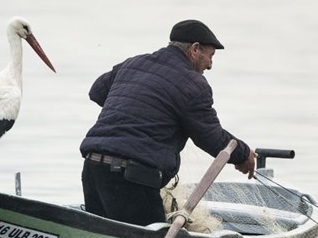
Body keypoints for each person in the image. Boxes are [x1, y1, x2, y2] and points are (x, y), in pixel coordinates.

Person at [80, 19, 257, 226]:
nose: (210, 64)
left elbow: (97, 91)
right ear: (195, 49)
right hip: (132, 179)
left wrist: (139, 107)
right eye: (210, 56)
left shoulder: (133, 63)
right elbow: (212, 138)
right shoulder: (193, 84)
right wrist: (243, 154)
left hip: (93, 169)